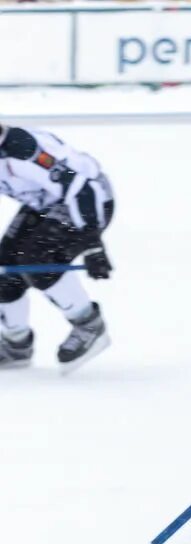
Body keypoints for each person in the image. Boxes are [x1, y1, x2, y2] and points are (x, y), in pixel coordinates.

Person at [0, 123, 113, 371]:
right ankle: (16, 343)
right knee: (4, 264)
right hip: (45, 203)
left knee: (36, 260)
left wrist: (92, 244)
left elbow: (84, 190)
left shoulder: (22, 151)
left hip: (89, 202)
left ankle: (88, 324)